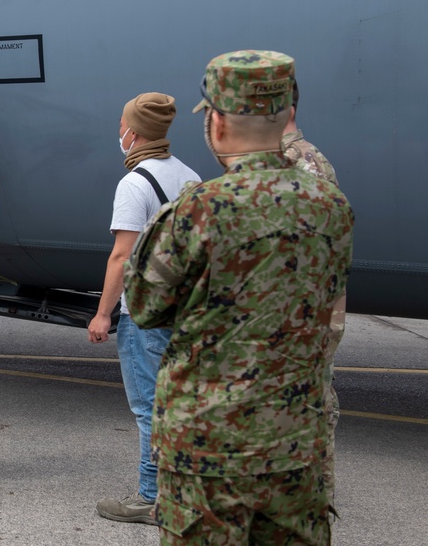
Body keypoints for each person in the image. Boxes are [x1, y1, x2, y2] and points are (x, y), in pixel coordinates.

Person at [124, 51, 353, 544]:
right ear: (288, 113)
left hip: (209, 450)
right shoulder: (332, 206)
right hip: (297, 445)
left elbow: (144, 308)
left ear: (217, 123)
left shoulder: (198, 209)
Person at [87, 93, 200, 525]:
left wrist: (103, 313)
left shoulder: (135, 183)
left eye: (122, 124)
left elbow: (121, 256)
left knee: (149, 407)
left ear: (134, 132)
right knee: (178, 404)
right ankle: (185, 489)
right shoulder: (190, 176)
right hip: (184, 311)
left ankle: (151, 497)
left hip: (146, 313)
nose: (119, 132)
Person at [282, 82, 346, 507]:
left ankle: (311, 507)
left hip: (307, 317)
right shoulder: (290, 160)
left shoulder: (303, 163)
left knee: (310, 413)